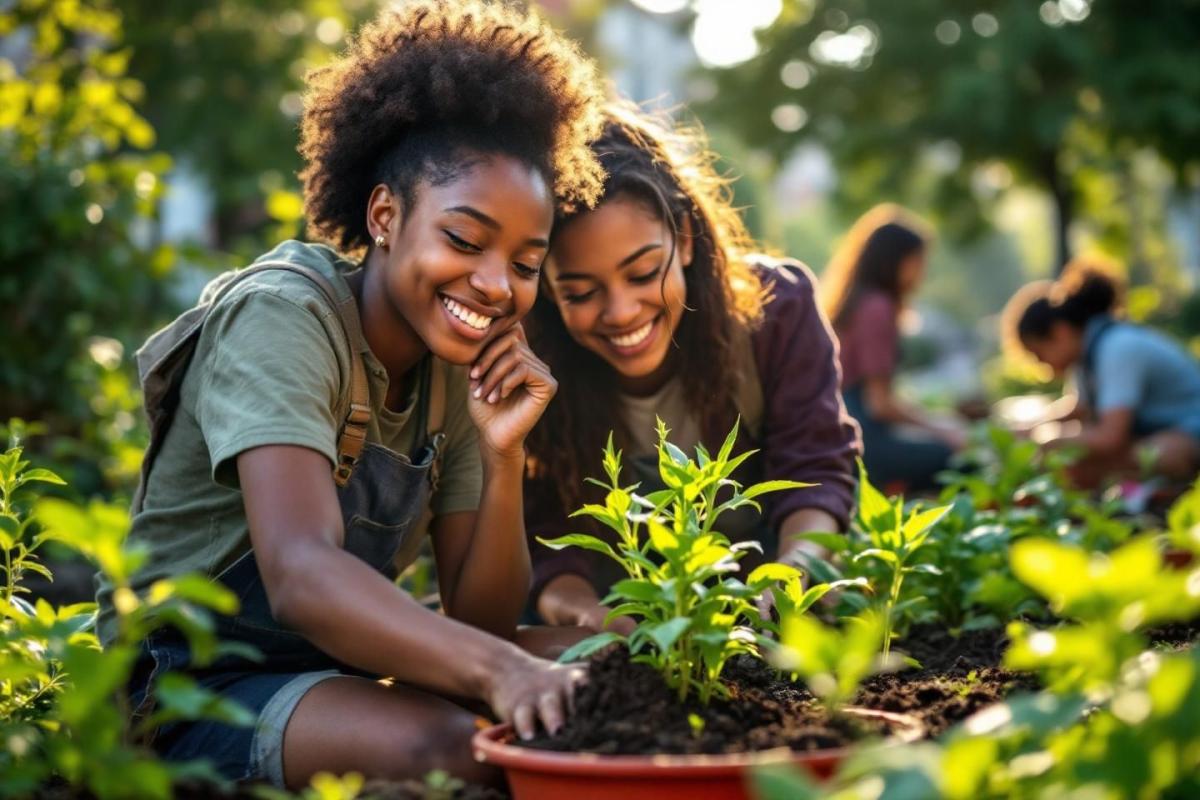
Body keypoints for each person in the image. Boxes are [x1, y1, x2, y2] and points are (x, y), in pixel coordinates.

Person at [96, 1, 607, 788]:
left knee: (612, 663)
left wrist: (504, 456)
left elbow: (481, 624)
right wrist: (502, 672)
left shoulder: (459, 361)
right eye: (465, 242)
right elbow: (301, 574)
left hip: (328, 670)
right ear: (385, 215)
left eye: (526, 262)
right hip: (191, 687)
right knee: (465, 742)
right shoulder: (285, 315)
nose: (496, 284)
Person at [522, 103, 860, 635]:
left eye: (643, 273)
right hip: (627, 610)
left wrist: (797, 571)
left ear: (682, 237)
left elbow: (814, 468)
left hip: (755, 601)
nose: (622, 312)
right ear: (544, 285)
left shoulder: (776, 312)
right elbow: (546, 540)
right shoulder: (532, 366)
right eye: (581, 293)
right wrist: (591, 617)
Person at [1003, 256, 1200, 487]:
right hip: (1160, 431)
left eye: (1039, 354)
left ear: (1061, 332)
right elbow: (1078, 409)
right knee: (1079, 458)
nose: (1043, 365)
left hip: (1188, 431)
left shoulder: (1117, 347)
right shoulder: (1087, 355)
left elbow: (1110, 437)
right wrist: (1031, 427)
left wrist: (1047, 439)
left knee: (1150, 455)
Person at [820, 204, 965, 493]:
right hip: (863, 441)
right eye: (918, 262)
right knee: (962, 460)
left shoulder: (856, 303)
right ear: (896, 261)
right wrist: (942, 428)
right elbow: (880, 403)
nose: (921, 273)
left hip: (838, 435)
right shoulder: (878, 308)